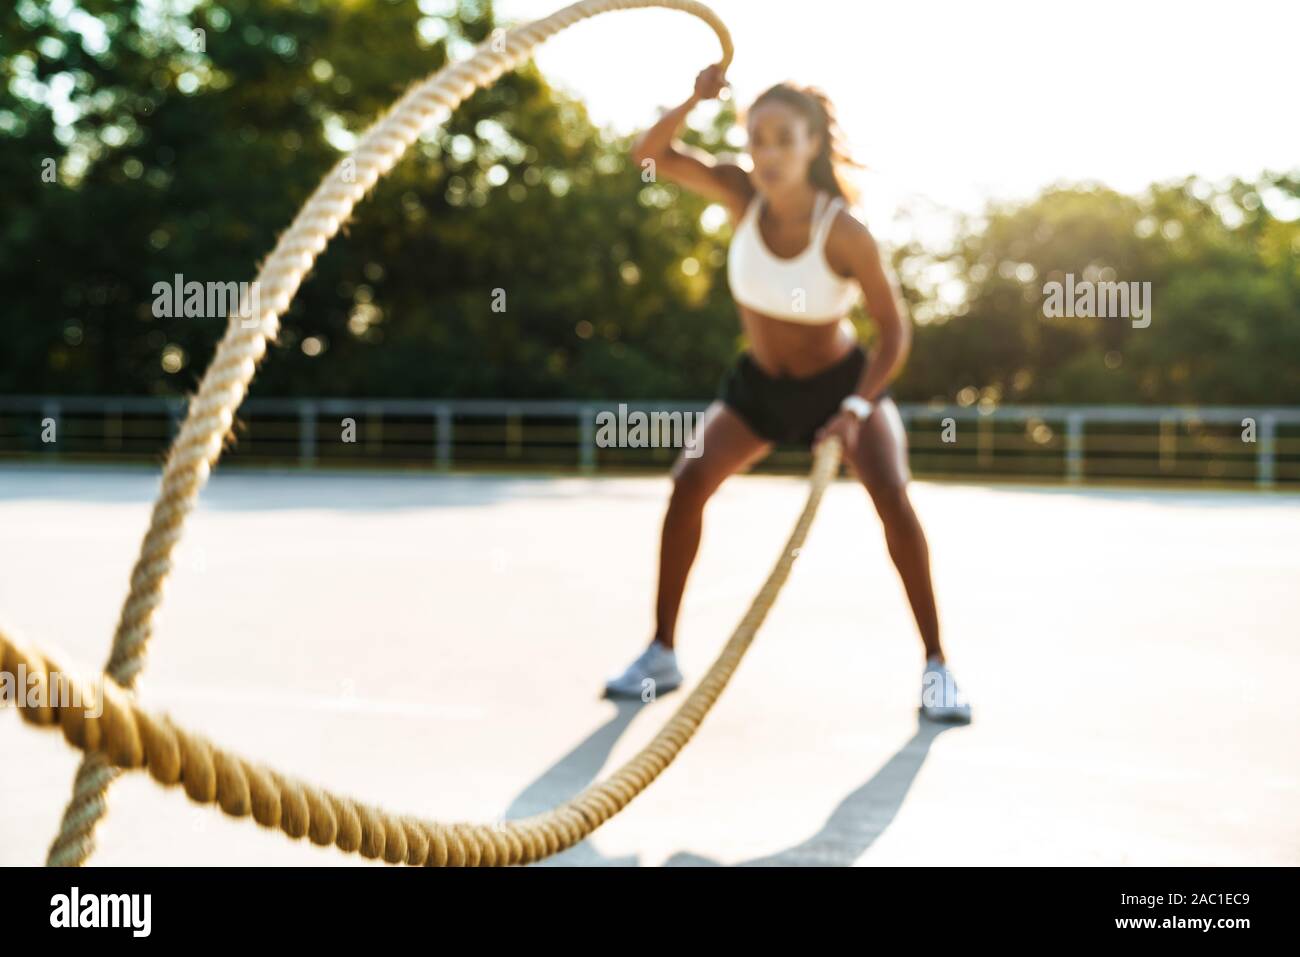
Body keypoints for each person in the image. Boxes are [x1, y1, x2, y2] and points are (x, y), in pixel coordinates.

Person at [605, 66, 971, 723]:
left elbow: (894, 332)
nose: (766, 154)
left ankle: (938, 665)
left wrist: (857, 408)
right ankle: (661, 651)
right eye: (756, 140)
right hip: (760, 387)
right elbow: (650, 156)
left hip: (840, 388)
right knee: (688, 482)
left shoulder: (844, 230)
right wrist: (694, 98)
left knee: (892, 496)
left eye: (782, 139)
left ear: (813, 146)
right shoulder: (739, 194)